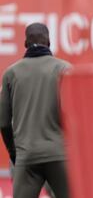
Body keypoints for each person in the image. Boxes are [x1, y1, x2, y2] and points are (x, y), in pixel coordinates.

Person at [0, 23, 70, 198]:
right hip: (59, 154)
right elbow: (75, 118)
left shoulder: (11, 73)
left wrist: (14, 152)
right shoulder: (64, 69)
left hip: (27, 156)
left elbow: (3, 122)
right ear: (49, 42)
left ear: (25, 43)